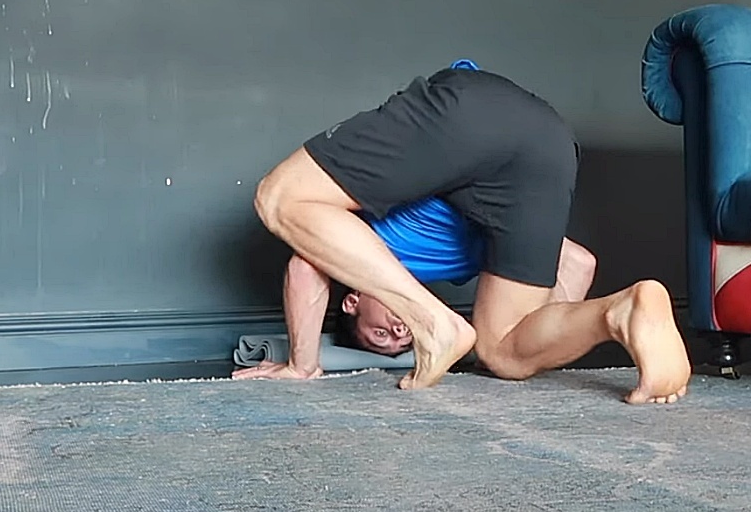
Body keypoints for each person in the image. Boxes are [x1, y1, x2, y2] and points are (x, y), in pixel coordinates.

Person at [239, 61, 691, 404]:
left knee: (279, 197)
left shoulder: (361, 242)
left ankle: (435, 325)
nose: (396, 332)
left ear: (352, 300)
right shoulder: (455, 250)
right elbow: (576, 263)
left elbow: (305, 265)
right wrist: (544, 341)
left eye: (380, 333)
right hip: (549, 141)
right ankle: (622, 311)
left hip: (472, 108)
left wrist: (302, 365)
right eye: (401, 341)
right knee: (505, 352)